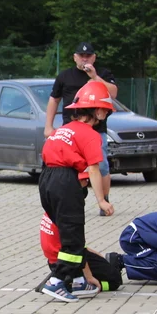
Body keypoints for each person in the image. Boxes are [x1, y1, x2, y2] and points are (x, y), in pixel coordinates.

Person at [37, 80, 115, 302]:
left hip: (47, 179)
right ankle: (57, 282)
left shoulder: (63, 130)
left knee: (68, 232)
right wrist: (101, 200)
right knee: (72, 238)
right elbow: (94, 169)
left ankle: (80, 281)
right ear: (99, 111)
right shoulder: (90, 135)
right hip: (65, 182)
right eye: (106, 112)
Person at [44, 42, 118, 213]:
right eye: (81, 56)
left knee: (101, 165)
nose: (85, 59)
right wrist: (48, 126)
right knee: (71, 164)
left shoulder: (103, 73)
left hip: (96, 129)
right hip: (71, 128)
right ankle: (71, 197)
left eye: (88, 56)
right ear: (74, 57)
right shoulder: (65, 76)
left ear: (94, 57)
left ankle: (104, 200)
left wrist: (95, 77)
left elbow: (113, 93)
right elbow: (53, 100)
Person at [38, 212, 122, 295]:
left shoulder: (52, 209)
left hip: (55, 261)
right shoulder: (68, 214)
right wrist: (89, 277)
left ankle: (61, 277)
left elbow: (75, 244)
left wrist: (96, 255)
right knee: (115, 281)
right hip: (70, 259)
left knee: (105, 267)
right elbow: (77, 252)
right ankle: (70, 284)